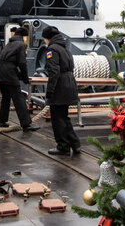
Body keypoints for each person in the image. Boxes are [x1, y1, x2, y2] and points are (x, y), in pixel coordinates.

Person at [42, 26, 80, 156]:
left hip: (60, 87)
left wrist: (50, 92)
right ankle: (75, 144)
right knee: (64, 117)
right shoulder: (65, 49)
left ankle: (63, 146)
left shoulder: (52, 50)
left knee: (57, 119)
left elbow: (54, 72)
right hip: (69, 84)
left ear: (47, 38)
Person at [0, 26, 39, 131]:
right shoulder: (21, 45)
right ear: (24, 36)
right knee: (19, 99)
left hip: (0, 72)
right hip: (9, 74)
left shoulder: (9, 44)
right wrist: (25, 78)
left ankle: (1, 121)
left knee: (6, 98)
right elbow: (22, 63)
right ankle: (26, 124)